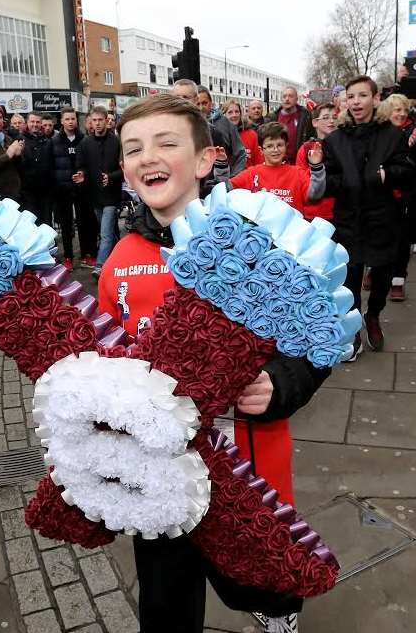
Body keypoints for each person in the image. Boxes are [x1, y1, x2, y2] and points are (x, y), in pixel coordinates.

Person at [102, 93, 328, 633]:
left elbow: (314, 340)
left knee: (265, 583)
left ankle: (278, 618)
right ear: (126, 172)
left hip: (247, 466)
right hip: (156, 477)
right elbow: (105, 362)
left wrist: (279, 382)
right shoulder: (119, 261)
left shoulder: (258, 244)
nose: (148, 156)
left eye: (166, 142)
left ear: (206, 160)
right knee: (165, 601)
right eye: (133, 149)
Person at [323, 76, 414, 358]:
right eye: (351, 97)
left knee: (383, 275)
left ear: (375, 99)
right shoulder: (335, 139)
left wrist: (387, 175)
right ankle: (354, 329)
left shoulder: (392, 134)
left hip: (383, 218)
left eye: (362, 96)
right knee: (350, 278)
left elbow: (408, 171)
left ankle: (373, 314)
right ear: (345, 102)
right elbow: (331, 176)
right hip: (349, 219)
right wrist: (329, 177)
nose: (356, 102)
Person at [375, 94, 416, 303]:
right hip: (382, 195)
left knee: (402, 239)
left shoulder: (414, 132)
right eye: (397, 109)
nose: (401, 114)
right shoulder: (378, 132)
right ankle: (376, 270)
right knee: (380, 237)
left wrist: (414, 147)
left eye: (404, 110)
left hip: (406, 195)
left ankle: (398, 279)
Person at [216, 121, 326, 211]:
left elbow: (315, 196)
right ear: (261, 150)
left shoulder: (298, 173)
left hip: (291, 234)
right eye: (269, 146)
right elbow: (225, 189)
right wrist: (221, 167)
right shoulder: (252, 173)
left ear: (286, 146)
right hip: (259, 234)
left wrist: (316, 167)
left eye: (280, 145)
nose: (275, 150)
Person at [76, 104, 122, 275]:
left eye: (100, 120)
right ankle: (120, 256)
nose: (97, 124)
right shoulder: (85, 143)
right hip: (94, 196)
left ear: (106, 121)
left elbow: (124, 169)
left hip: (111, 196)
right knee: (109, 232)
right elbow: (81, 166)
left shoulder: (116, 142)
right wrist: (81, 174)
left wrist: (111, 177)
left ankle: (100, 266)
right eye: (94, 120)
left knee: (105, 234)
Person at [172, 79, 246, 174]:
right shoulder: (162, 126)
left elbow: (233, 157)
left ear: (195, 99)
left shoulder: (212, 131)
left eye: (186, 97)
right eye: (177, 97)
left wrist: (230, 181)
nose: (181, 101)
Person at [52, 105, 91, 270]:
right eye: (67, 119)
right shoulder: (53, 141)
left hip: (81, 189)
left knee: (84, 223)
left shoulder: (84, 139)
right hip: (62, 190)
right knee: (66, 226)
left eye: (73, 118)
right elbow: (51, 166)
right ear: (61, 121)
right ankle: (68, 256)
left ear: (77, 120)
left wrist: (84, 175)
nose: (70, 122)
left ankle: (86, 255)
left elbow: (90, 163)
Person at [296, 102, 338, 222]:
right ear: (315, 122)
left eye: (335, 117)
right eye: (325, 117)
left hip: (338, 211)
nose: (331, 121)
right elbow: (302, 179)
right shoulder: (306, 148)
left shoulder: (344, 147)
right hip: (312, 212)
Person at [19, 111, 56, 226]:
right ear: (27, 123)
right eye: (32, 121)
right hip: (27, 193)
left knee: (47, 225)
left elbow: (52, 165)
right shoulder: (20, 140)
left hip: (45, 192)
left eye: (37, 122)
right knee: (31, 225)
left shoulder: (47, 141)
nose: (35, 124)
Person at [268, 87, 316, 165]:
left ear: (296, 99)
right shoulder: (273, 117)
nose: (287, 99)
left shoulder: (306, 116)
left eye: (290, 96)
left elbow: (311, 137)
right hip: (278, 163)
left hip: (299, 162)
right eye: (284, 96)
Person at [223, 100, 262, 167]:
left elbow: (258, 161)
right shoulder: (220, 136)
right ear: (224, 115)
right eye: (230, 112)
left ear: (241, 114)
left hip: (248, 175)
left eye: (237, 111)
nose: (234, 115)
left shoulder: (251, 135)